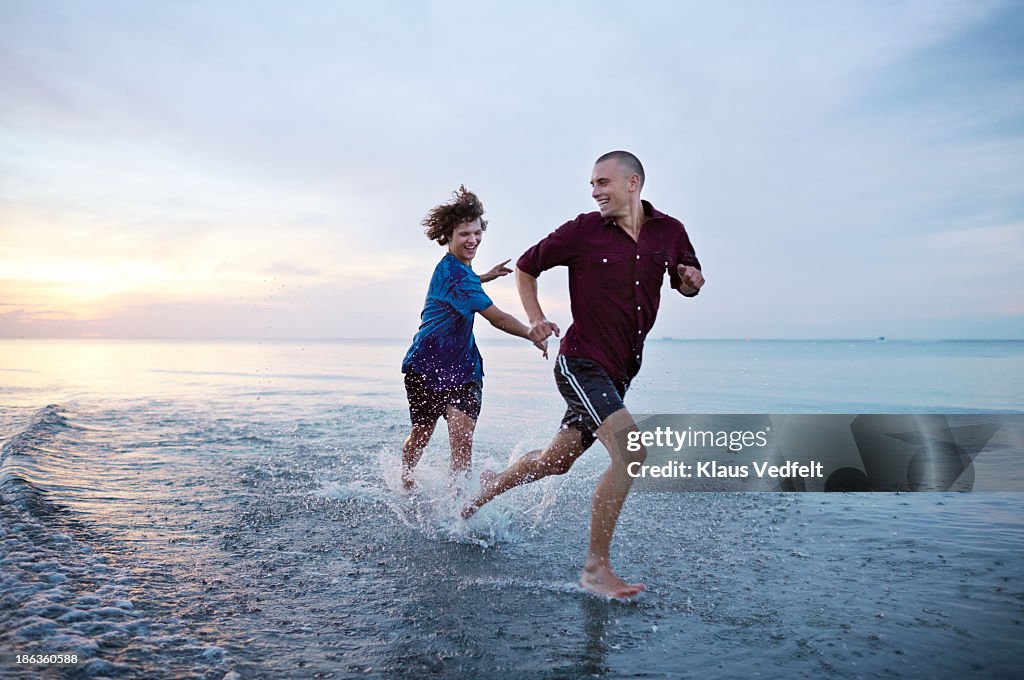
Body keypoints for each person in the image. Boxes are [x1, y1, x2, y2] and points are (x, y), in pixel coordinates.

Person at [462, 151, 705, 599]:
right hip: (581, 362)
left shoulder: (670, 232)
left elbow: (687, 280)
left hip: (620, 372)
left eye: (602, 183)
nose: (595, 192)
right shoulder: (582, 231)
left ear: (633, 183)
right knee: (632, 452)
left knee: (556, 463)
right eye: (592, 185)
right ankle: (596, 569)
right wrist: (535, 319)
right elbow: (526, 266)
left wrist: (691, 280)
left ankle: (488, 487)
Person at [401, 185, 546, 490]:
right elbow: (497, 318)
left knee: (462, 441)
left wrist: (485, 277)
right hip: (425, 367)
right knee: (421, 436)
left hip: (464, 369)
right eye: (465, 234)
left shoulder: (461, 269)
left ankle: (459, 507)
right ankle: (405, 478)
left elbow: (466, 284)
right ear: (449, 237)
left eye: (477, 232)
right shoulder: (455, 274)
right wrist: (531, 333)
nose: (473, 240)